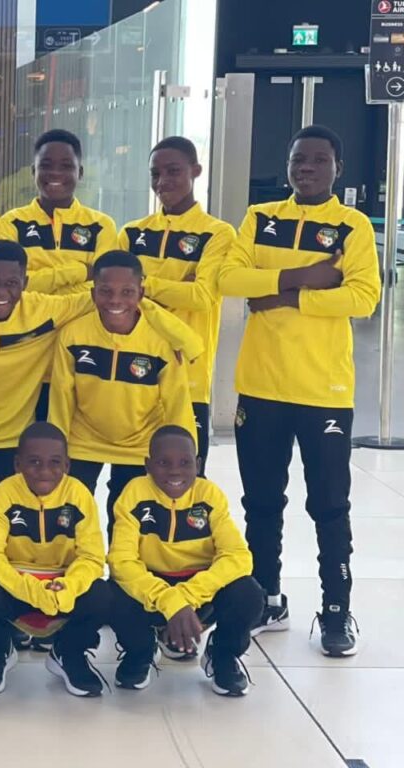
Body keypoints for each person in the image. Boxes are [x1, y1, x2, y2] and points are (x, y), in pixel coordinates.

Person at [0, 240, 200, 549]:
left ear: (25, 282)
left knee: (20, 518)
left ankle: (24, 569)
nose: (0, 291)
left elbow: (122, 300)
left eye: (11, 283)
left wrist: (180, 338)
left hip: (16, 431)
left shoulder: (46, 310)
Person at [217, 125, 380, 656]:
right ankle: (266, 599)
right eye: (297, 159)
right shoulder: (260, 218)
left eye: (318, 160)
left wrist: (284, 296)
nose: (305, 168)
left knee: (329, 506)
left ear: (337, 168)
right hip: (261, 386)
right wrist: (306, 275)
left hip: (323, 392)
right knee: (262, 503)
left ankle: (336, 611)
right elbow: (229, 279)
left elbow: (363, 296)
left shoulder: (352, 226)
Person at [50, 250, 197, 538]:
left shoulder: (161, 342)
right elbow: (61, 396)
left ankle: (121, 568)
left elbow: (177, 403)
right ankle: (82, 566)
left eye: (127, 292)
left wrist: (186, 455)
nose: (115, 300)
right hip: (84, 440)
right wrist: (58, 447)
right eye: (106, 291)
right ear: (93, 293)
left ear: (140, 293)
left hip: (139, 444)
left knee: (127, 524)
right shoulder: (73, 335)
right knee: (70, 520)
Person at [108, 426, 264, 696]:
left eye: (184, 463)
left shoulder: (209, 496)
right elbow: (121, 561)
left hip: (199, 591)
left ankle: (222, 656)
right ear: (147, 465)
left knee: (249, 593)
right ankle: (141, 652)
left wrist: (186, 597)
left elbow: (238, 556)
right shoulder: (133, 494)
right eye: (163, 463)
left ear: (198, 465)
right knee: (109, 593)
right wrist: (169, 601)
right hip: (152, 588)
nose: (174, 471)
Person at [119, 137, 235, 471]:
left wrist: (141, 286)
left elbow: (201, 297)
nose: (162, 181)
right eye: (155, 173)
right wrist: (179, 285)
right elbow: (112, 296)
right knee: (127, 481)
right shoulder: (131, 233)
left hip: (189, 377)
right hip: (133, 371)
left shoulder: (218, 233)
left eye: (173, 171)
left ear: (196, 171)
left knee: (185, 482)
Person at [0, 422, 111, 697]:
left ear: (67, 465)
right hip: (19, 582)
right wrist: (32, 590)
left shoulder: (79, 495)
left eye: (54, 462)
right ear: (17, 464)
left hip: (62, 583)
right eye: (34, 462)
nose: (44, 471)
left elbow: (92, 557)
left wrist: (68, 586)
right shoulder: (5, 493)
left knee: (103, 595)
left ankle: (69, 653)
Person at [0, 129, 117, 292]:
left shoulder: (101, 226)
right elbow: (7, 285)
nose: (55, 173)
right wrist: (80, 271)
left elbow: (105, 289)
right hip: (37, 313)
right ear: (34, 171)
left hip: (72, 313)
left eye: (66, 166)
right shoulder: (11, 223)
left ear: (80, 173)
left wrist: (38, 284)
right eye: (46, 166)